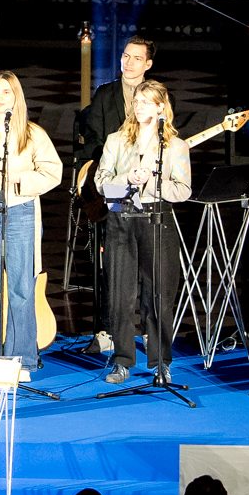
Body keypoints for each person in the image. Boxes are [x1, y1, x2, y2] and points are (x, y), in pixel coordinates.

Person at [95, 79, 191, 387]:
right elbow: (101, 181)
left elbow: (184, 190)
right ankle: (122, 359)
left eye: (146, 102)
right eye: (136, 101)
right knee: (120, 294)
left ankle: (161, 361)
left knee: (159, 295)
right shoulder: (116, 140)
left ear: (161, 107)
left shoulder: (175, 146)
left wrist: (151, 182)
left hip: (156, 219)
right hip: (121, 215)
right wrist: (127, 177)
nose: (138, 107)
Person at [0, 71, 62, 374]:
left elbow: (53, 172)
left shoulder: (32, 133)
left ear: (16, 97)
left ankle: (21, 359)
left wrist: (17, 178)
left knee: (22, 287)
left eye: (5, 92)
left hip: (21, 212)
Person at [73, 35, 158, 354]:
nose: (129, 62)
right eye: (126, 56)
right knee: (113, 260)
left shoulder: (158, 96)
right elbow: (93, 137)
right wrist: (115, 164)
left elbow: (165, 136)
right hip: (114, 183)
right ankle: (107, 329)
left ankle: (149, 330)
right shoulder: (105, 94)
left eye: (136, 58)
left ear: (148, 64)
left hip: (148, 187)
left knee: (149, 262)